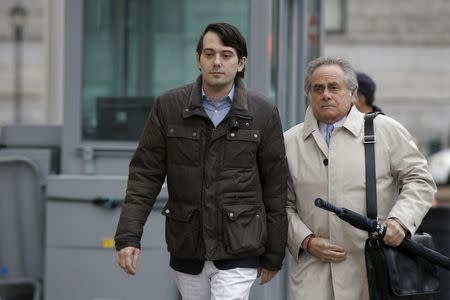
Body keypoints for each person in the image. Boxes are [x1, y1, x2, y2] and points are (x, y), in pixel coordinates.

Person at [114, 22, 288, 300]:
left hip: (239, 246)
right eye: (209, 54)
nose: (216, 62)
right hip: (187, 245)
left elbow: (276, 187)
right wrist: (128, 236)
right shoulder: (169, 107)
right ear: (198, 60)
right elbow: (144, 175)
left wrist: (274, 254)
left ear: (241, 62)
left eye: (226, 55)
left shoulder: (262, 111)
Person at [284, 56, 436, 300]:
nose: (325, 94)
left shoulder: (385, 130)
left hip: (376, 272)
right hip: (314, 276)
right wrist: (307, 240)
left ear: (352, 94)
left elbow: (420, 180)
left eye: (334, 87)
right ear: (309, 94)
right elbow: (281, 204)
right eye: (318, 88)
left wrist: (400, 221)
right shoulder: (289, 143)